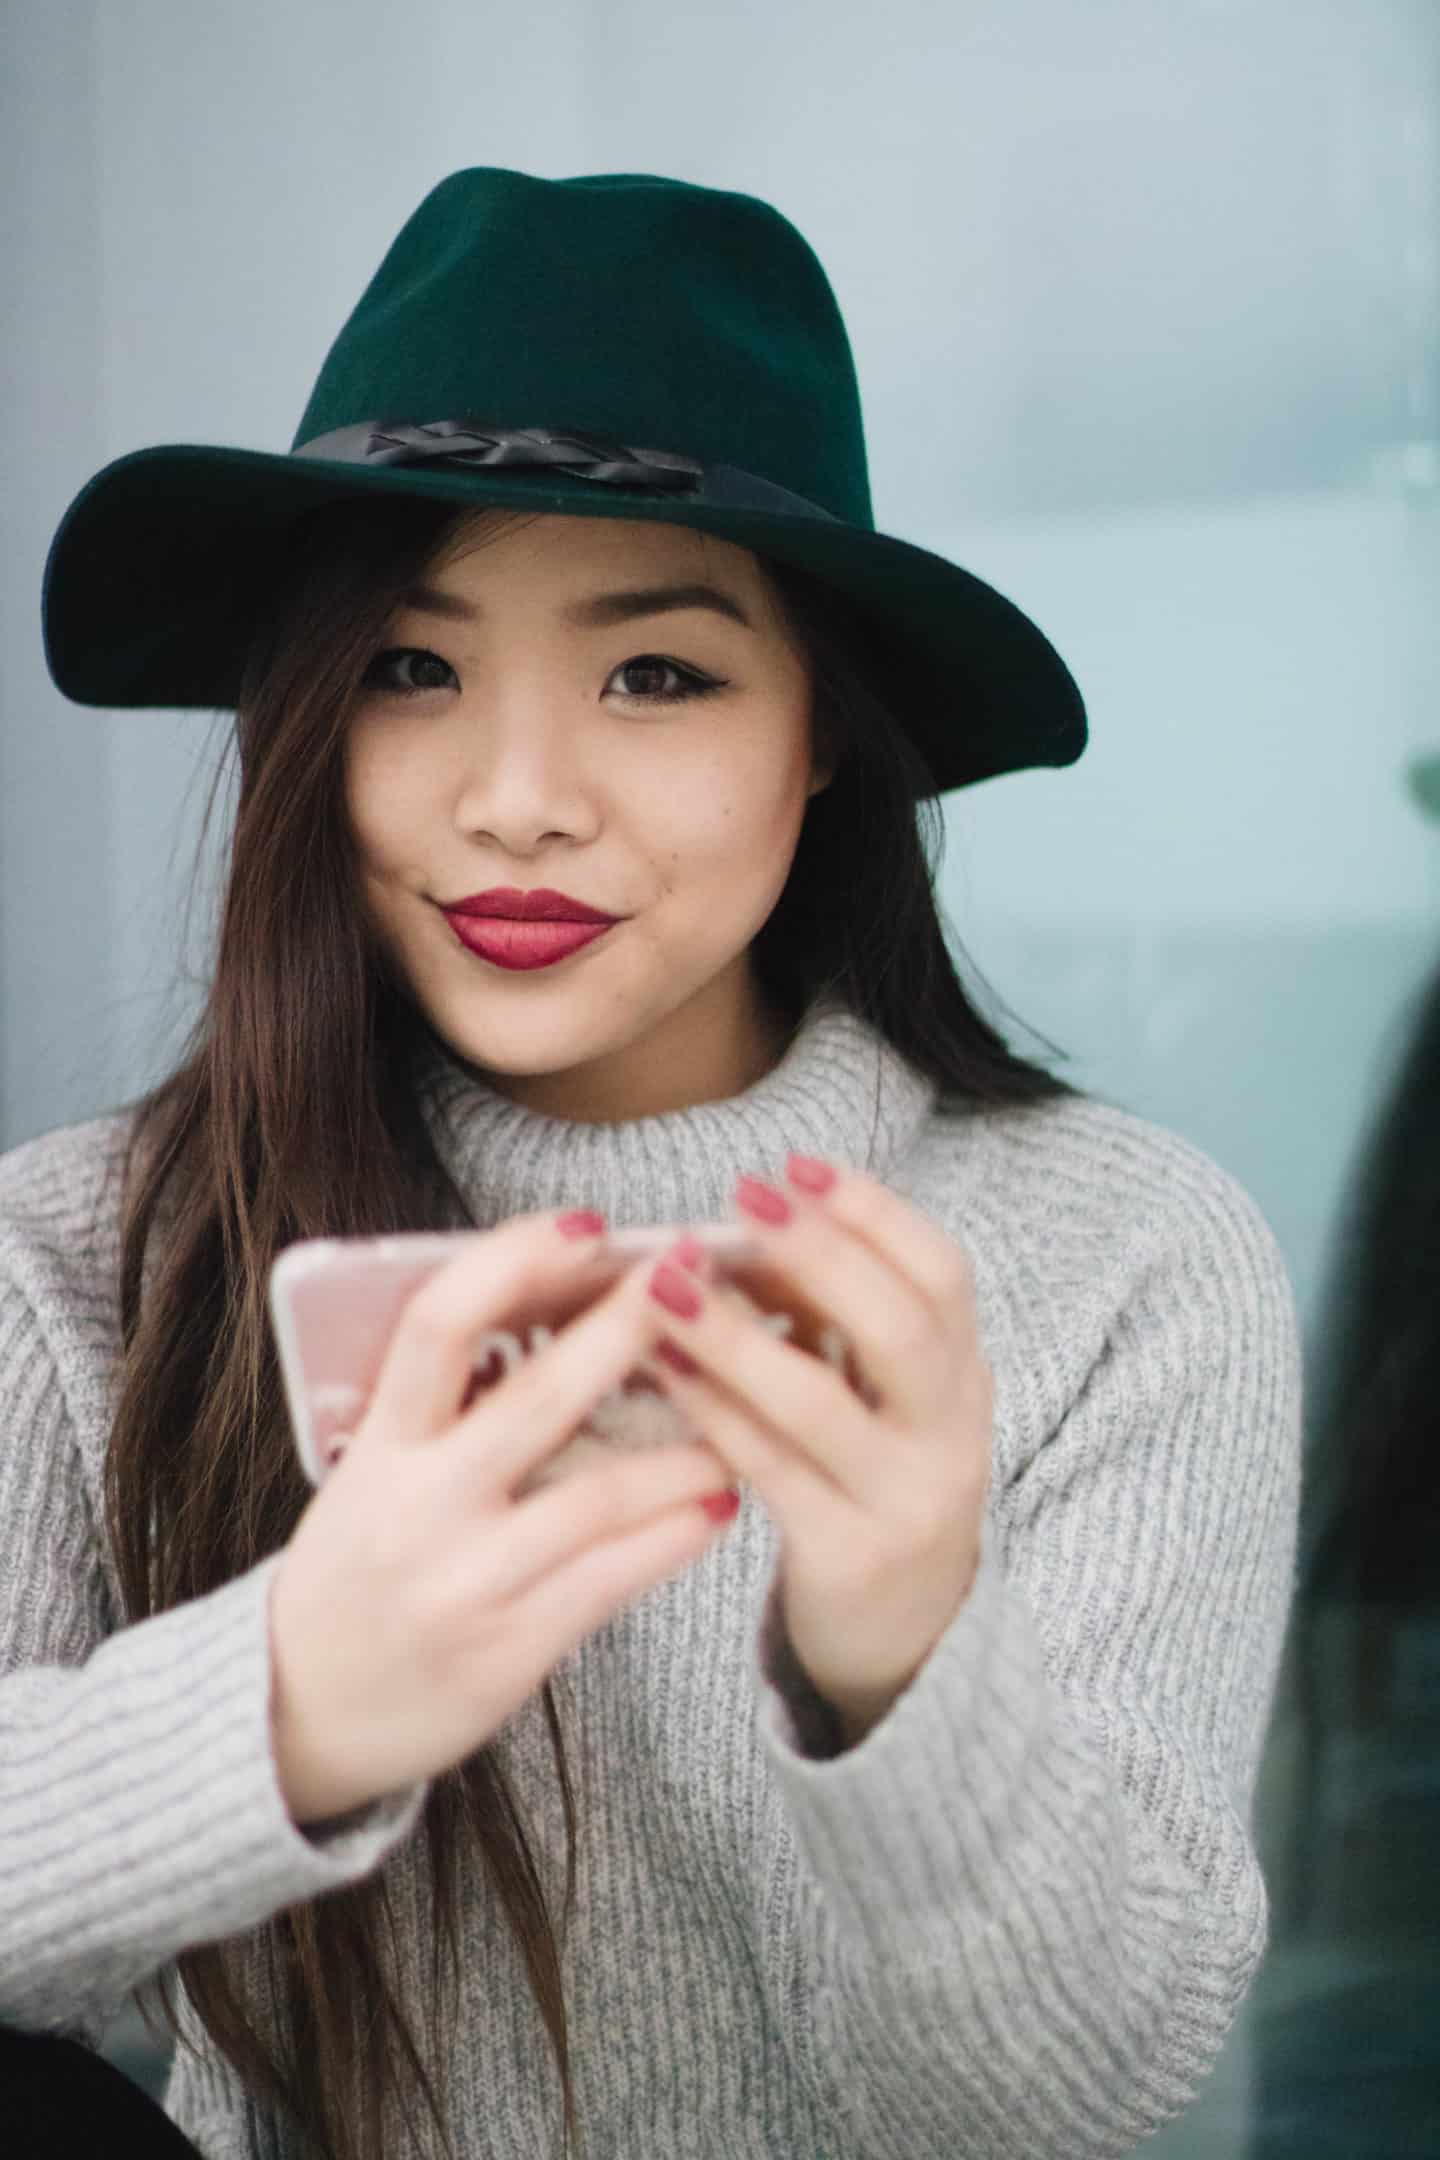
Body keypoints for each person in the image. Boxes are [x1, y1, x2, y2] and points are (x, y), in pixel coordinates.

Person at [0, 167, 1300, 2160]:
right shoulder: (91, 1251)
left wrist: (898, 1660)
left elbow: (1081, 2096)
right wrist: (284, 1700)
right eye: (409, 670)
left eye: (659, 673)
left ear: (824, 732)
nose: (518, 801)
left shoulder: (1123, 1258)